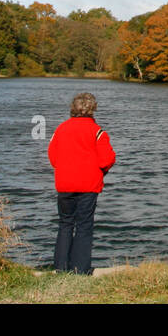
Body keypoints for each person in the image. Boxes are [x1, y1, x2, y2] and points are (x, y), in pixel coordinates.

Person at [47, 92, 116, 274]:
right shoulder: (98, 132)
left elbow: (53, 157)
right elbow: (107, 159)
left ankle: (61, 267)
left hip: (64, 184)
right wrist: (101, 172)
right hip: (88, 185)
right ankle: (80, 269)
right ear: (93, 109)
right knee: (84, 226)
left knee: (65, 224)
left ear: (73, 109)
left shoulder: (60, 129)